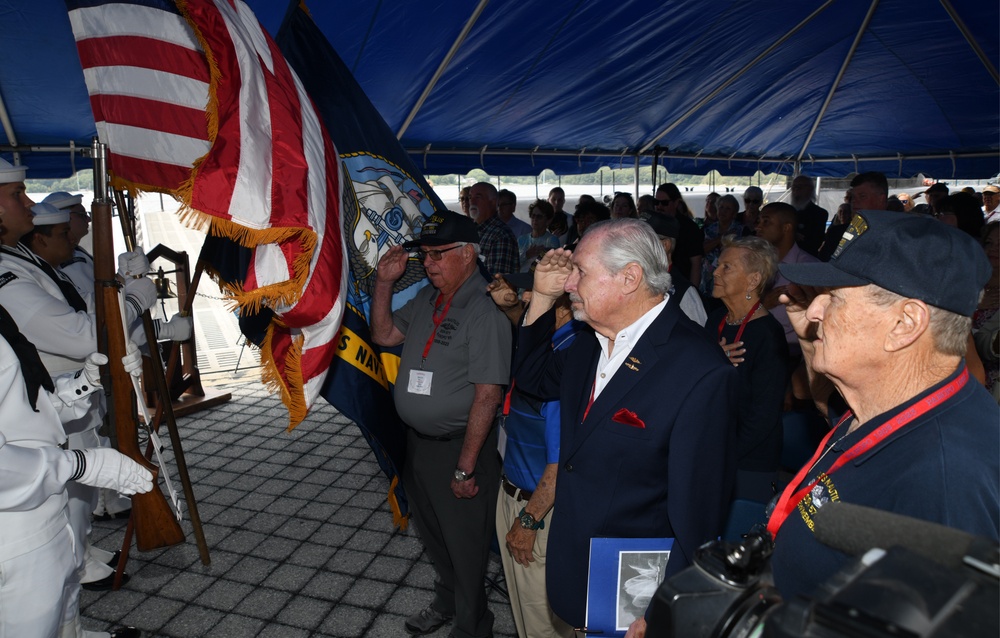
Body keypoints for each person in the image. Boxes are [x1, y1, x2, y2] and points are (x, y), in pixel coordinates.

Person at [513, 218, 738, 635]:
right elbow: (531, 378)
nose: (569, 284)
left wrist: (662, 608)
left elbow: (698, 515)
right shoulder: (590, 342)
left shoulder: (699, 370)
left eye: (581, 272)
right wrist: (541, 298)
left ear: (629, 278)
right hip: (578, 560)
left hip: (637, 584)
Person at [770, 209, 999, 599]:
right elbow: (839, 419)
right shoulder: (894, 401)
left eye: (834, 299)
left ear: (904, 324)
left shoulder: (945, 482)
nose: (812, 312)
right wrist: (811, 342)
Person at [371, 210, 510, 638]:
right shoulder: (430, 297)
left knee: (466, 547)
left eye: (438, 254)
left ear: (468, 254)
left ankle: (472, 626)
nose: (428, 263)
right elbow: (384, 335)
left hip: (460, 448)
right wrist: (384, 283)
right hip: (420, 445)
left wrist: (466, 466)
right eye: (425, 255)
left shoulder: (485, 309)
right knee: (435, 537)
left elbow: (488, 395)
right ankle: (447, 601)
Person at [0, 302, 151, 638]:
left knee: (63, 600)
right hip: (12, 530)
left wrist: (81, 384)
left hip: (43, 510)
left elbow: (20, 407)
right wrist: (79, 464)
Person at [487, 270, 586, 638]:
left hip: (539, 509)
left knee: (544, 622)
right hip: (512, 491)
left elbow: (562, 463)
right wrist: (516, 313)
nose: (524, 296)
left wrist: (528, 522)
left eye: (531, 295)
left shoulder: (566, 361)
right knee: (525, 611)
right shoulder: (552, 344)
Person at [707, 236, 788, 502]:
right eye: (718, 265)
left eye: (726, 267)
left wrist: (722, 454)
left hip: (747, 461)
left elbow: (762, 416)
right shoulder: (716, 319)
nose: (715, 271)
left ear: (753, 280)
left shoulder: (768, 335)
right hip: (710, 445)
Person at [756, 202, 820, 356]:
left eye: (766, 221)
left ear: (786, 228)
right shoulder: (756, 263)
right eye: (758, 222)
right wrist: (763, 304)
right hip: (757, 346)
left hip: (793, 354)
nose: (758, 227)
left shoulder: (808, 268)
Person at [644, 213, 707, 325]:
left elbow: (699, 337)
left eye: (644, 241)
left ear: (665, 245)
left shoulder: (683, 291)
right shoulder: (636, 280)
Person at [819, 172, 888, 261]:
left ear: (881, 199)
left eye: (862, 196)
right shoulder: (837, 235)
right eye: (853, 197)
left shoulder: (898, 236)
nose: (855, 202)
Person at [653, 183, 704, 289]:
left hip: (681, 283)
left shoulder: (689, 228)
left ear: (676, 203)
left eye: (664, 203)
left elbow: (696, 264)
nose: (659, 206)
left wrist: (693, 290)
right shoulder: (651, 224)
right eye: (656, 202)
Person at [468, 181, 519, 275]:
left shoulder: (501, 236)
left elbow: (496, 283)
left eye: (478, 197)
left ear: (493, 202)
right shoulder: (468, 230)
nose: (472, 202)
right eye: (470, 197)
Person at [700, 194, 743, 295]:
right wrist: (721, 238)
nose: (723, 211)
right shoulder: (708, 229)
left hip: (729, 279)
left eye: (728, 209)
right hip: (707, 279)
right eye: (721, 207)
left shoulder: (741, 230)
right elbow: (701, 250)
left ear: (734, 213)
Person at [789, 175, 828, 257]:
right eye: (793, 187)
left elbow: (815, 242)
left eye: (799, 187)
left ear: (810, 189)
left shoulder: (819, 213)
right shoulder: (787, 211)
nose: (795, 190)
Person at [518, 199, 561, 270]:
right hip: (521, 278)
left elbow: (554, 265)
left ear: (548, 220)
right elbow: (513, 264)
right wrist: (526, 255)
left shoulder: (552, 240)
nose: (535, 219)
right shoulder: (521, 239)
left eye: (539, 217)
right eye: (533, 216)